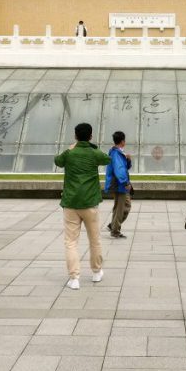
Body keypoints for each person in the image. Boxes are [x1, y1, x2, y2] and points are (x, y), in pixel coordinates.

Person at [54, 122, 110, 290]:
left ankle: (74, 278)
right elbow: (107, 159)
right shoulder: (94, 153)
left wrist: (71, 149)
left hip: (71, 203)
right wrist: (91, 146)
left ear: (75, 136)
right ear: (91, 136)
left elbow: (58, 161)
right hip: (90, 203)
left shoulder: (70, 153)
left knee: (71, 242)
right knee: (95, 240)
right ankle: (96, 272)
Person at [104, 131, 132, 239]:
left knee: (126, 206)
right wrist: (125, 182)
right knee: (120, 207)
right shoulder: (116, 153)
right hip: (119, 184)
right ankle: (115, 230)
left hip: (120, 184)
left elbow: (125, 167)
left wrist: (128, 160)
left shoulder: (118, 152)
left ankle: (113, 225)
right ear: (122, 141)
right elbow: (119, 169)